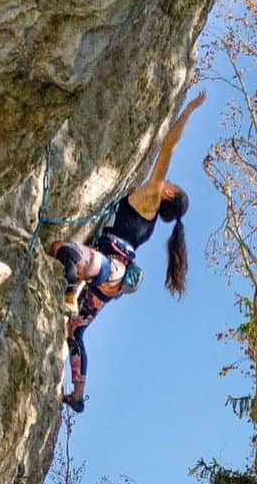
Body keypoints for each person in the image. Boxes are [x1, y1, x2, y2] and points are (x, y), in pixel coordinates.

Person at [48, 90, 206, 412]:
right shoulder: (150, 224)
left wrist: (188, 109)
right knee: (74, 331)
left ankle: (68, 291)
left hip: (106, 266)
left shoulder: (150, 197)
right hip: (113, 280)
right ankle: (77, 396)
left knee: (64, 250)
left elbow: (167, 147)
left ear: (169, 192)